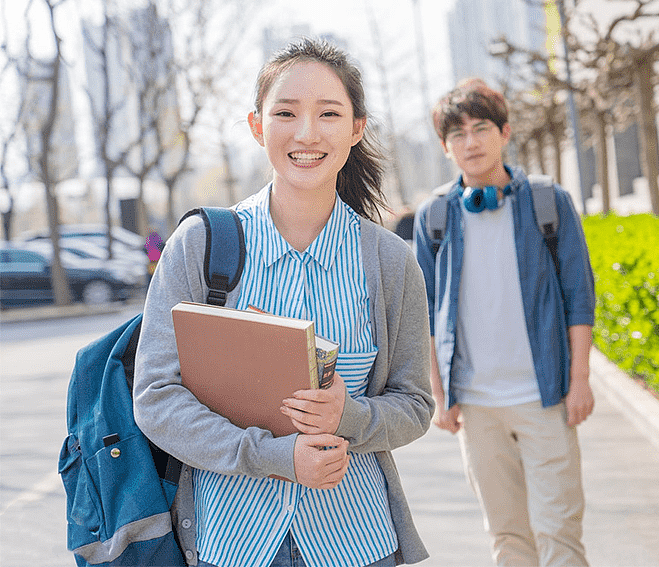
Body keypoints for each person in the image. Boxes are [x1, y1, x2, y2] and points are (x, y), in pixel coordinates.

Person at [134, 38, 434, 567]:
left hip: (357, 540)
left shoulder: (390, 262)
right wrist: (272, 457)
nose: (306, 133)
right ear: (257, 126)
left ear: (356, 128)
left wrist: (349, 414)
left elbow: (413, 405)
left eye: (329, 114)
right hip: (231, 542)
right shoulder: (201, 246)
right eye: (286, 113)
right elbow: (157, 396)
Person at [412, 78, 596, 567]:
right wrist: (440, 394)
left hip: (545, 397)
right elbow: (426, 312)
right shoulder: (434, 216)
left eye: (480, 128)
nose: (470, 142)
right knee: (507, 538)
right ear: (446, 148)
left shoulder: (547, 203)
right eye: (457, 135)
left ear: (505, 132)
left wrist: (579, 380)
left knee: (560, 534)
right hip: (476, 407)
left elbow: (579, 296)